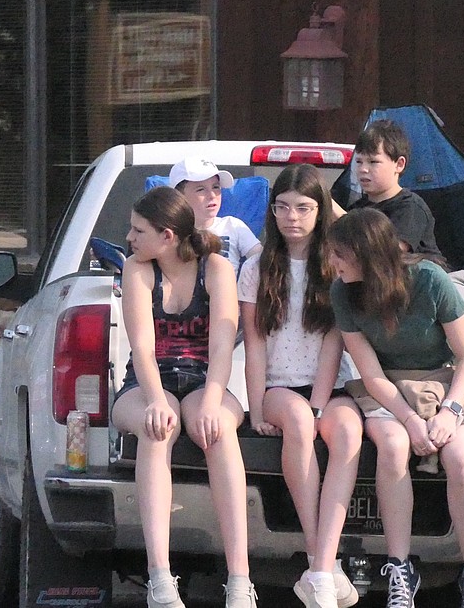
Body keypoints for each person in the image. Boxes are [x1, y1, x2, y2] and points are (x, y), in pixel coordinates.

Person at [328, 208, 464, 608]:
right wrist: (411, 420)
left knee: (458, 453)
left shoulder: (430, 279)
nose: (332, 263)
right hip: (388, 387)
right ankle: (400, 567)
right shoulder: (343, 292)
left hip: (448, 382)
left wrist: (450, 412)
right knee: (393, 446)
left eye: (340, 255)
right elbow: (372, 374)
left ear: (369, 255)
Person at [110, 186, 256, 608]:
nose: (130, 237)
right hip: (146, 380)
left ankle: (240, 580)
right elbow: (141, 346)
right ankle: (159, 577)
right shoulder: (137, 269)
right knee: (159, 428)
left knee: (219, 431)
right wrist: (155, 399)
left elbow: (222, 347)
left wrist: (212, 401)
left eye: (139, 230)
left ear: (168, 236)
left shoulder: (217, 269)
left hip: (203, 378)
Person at [237, 164, 357, 608]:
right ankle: (318, 557)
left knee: (346, 433)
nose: (293, 217)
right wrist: (253, 408)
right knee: (299, 420)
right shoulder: (255, 267)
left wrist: (323, 402)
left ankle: (321, 569)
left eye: (304, 207)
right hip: (277, 388)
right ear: (272, 213)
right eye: (283, 207)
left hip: (330, 383)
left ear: (321, 210)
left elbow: (333, 341)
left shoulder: (336, 266)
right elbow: (253, 343)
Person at [341, 120, 444, 263]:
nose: (363, 169)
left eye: (373, 162)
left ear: (399, 164)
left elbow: (387, 251)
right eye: (358, 162)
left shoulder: (411, 207)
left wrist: (332, 208)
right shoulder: (357, 208)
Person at [170, 156, 262, 276]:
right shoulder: (170, 232)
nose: (212, 195)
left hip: (227, 292)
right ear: (179, 196)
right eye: (201, 189)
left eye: (216, 187)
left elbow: (262, 260)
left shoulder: (233, 225)